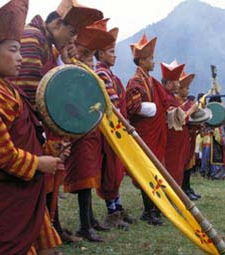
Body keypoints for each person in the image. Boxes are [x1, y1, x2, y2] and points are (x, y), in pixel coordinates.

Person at [12, 0, 104, 248]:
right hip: (24, 127)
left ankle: (49, 230)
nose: (72, 40)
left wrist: (64, 58)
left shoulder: (46, 42)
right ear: (55, 24)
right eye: (71, 33)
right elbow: (30, 93)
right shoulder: (33, 37)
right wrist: (47, 132)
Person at [0, 1, 62, 254]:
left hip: (24, 194)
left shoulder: (10, 90)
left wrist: (50, 150)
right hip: (2, 200)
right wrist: (38, 163)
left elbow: (29, 136)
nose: (21, 57)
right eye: (13, 50)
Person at [61, 23, 115, 243]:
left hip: (92, 132)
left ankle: (90, 219)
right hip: (79, 132)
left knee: (91, 176)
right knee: (84, 178)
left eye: (92, 58)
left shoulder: (89, 75)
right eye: (86, 56)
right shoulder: (71, 73)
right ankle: (84, 224)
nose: (90, 62)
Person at [93, 19, 136, 228]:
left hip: (117, 129)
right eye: (110, 51)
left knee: (115, 169)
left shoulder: (110, 73)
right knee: (110, 169)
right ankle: (112, 211)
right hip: (110, 130)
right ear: (100, 54)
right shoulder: (101, 72)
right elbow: (112, 105)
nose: (114, 55)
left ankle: (117, 207)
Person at [126, 33, 167, 226]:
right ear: (141, 60)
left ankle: (155, 207)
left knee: (155, 168)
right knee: (147, 169)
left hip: (153, 132)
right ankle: (148, 209)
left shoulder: (150, 81)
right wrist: (152, 108)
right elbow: (132, 107)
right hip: (144, 133)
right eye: (150, 58)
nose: (153, 61)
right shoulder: (135, 81)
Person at [161, 60, 198, 187]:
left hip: (178, 143)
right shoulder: (167, 98)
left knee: (178, 170)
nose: (179, 83)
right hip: (172, 143)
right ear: (170, 83)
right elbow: (178, 119)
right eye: (177, 80)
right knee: (172, 171)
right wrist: (191, 110)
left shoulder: (171, 97)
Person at [178, 72, 201, 200]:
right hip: (180, 137)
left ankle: (187, 187)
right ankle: (183, 189)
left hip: (189, 136)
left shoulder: (185, 102)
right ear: (180, 88)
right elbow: (181, 118)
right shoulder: (177, 102)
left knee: (189, 163)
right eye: (186, 88)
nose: (187, 91)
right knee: (183, 163)